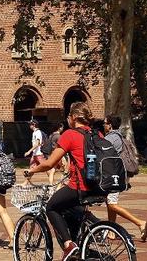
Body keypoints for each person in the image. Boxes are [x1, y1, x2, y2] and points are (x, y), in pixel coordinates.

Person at [24, 101, 98, 260]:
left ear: (73, 118)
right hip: (98, 185)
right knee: (72, 210)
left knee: (51, 206)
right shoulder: (96, 134)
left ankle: (68, 245)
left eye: (68, 116)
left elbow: (50, 163)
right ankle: (90, 236)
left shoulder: (70, 134)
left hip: (81, 186)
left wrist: (32, 170)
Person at [103, 115, 147, 241]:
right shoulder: (119, 136)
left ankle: (140, 223)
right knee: (110, 202)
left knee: (112, 204)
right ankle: (111, 231)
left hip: (115, 175)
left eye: (105, 123)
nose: (104, 125)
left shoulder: (110, 138)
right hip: (120, 174)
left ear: (110, 125)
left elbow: (103, 155)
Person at [24, 119, 51, 184]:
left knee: (46, 168)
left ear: (34, 125)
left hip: (39, 154)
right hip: (35, 154)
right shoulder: (34, 133)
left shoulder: (38, 132)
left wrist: (29, 151)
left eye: (30, 124)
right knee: (31, 169)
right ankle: (25, 183)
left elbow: (37, 144)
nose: (29, 125)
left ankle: (51, 184)